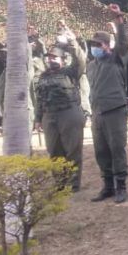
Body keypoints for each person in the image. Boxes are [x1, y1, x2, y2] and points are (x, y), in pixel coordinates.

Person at [87, 4, 128, 204]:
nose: (94, 47)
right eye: (93, 44)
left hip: (114, 110)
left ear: (106, 45)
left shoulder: (116, 59)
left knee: (117, 149)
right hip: (97, 113)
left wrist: (118, 20)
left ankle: (121, 186)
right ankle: (108, 186)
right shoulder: (91, 65)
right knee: (101, 151)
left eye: (98, 44)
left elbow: (123, 44)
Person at [34, 32, 87, 192]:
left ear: (63, 60)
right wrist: (38, 119)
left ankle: (73, 184)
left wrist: (73, 43)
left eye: (54, 57)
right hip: (49, 116)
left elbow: (80, 61)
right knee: (54, 151)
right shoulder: (43, 76)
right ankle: (60, 183)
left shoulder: (70, 73)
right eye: (49, 58)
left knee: (72, 150)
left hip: (69, 114)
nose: (51, 60)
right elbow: (40, 98)